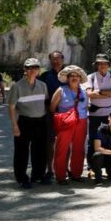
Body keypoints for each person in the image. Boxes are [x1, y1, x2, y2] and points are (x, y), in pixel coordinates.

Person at [7, 58, 49, 188]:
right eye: (29, 67)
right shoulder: (17, 86)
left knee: (40, 150)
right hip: (24, 121)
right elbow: (12, 107)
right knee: (21, 152)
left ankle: (38, 175)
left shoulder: (43, 85)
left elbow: (46, 103)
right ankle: (22, 178)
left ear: (39, 70)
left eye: (36, 67)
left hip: (40, 121)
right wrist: (14, 125)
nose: (33, 70)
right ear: (25, 69)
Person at [50, 65, 89, 185]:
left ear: (80, 78)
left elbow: (86, 106)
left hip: (81, 121)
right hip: (66, 122)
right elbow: (52, 107)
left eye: (77, 76)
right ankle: (60, 176)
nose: (74, 78)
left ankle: (76, 174)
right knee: (62, 149)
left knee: (79, 149)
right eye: (71, 76)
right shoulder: (61, 90)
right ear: (67, 78)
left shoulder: (83, 91)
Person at [85, 53, 111, 177]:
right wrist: (107, 93)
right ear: (96, 65)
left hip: (109, 114)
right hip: (95, 114)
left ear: (108, 65)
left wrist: (99, 92)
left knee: (109, 140)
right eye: (100, 63)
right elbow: (90, 94)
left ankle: (108, 166)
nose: (102, 66)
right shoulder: (91, 77)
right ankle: (91, 167)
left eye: (104, 63)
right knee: (92, 140)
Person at [38, 50, 65, 181]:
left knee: (66, 141)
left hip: (66, 112)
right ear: (50, 61)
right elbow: (39, 94)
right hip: (49, 113)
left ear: (63, 60)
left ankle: (64, 167)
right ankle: (50, 169)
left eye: (58, 58)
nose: (56, 61)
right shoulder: (44, 76)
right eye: (53, 59)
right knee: (49, 141)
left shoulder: (69, 75)